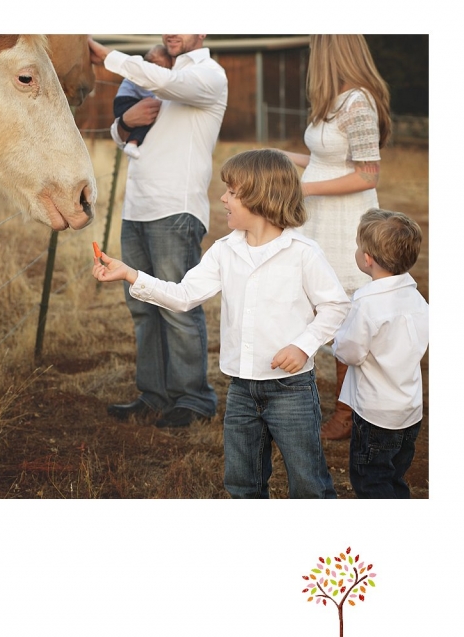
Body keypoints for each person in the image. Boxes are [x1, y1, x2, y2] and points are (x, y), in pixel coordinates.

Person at [92, 149, 350, 498]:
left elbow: (335, 305)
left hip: (291, 392)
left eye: (232, 191)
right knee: (242, 483)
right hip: (242, 390)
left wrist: (303, 345)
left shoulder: (304, 253)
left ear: (261, 196)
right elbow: (183, 296)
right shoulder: (224, 251)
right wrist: (131, 274)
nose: (222, 198)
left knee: (308, 483)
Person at [88, 34, 228, 428]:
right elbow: (124, 137)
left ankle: (193, 399)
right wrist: (124, 123)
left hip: (176, 210)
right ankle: (153, 395)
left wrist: (109, 57)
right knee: (143, 307)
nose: (171, 30)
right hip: (137, 209)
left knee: (178, 308)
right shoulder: (159, 77)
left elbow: (163, 83)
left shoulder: (207, 76)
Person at [281, 35, 392, 441]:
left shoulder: (358, 102)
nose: (313, 57)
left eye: (316, 48)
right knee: (322, 310)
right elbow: (328, 162)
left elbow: (368, 173)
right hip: (320, 220)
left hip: (345, 222)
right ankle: (332, 405)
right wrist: (285, 159)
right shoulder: (333, 101)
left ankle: (348, 415)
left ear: (330, 51)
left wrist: (305, 190)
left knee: (345, 318)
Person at [331, 209, 428, 499]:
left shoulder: (367, 303)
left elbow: (350, 352)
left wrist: (336, 340)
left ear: (368, 258)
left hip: (376, 415)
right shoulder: (416, 297)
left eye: (359, 246)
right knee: (394, 474)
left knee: (371, 480)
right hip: (409, 411)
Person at [113, 44, 172, 159]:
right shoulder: (143, 74)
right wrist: (159, 99)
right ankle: (132, 143)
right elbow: (147, 93)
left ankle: (132, 143)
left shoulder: (142, 70)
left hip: (124, 100)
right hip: (126, 101)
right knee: (147, 115)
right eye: (159, 68)